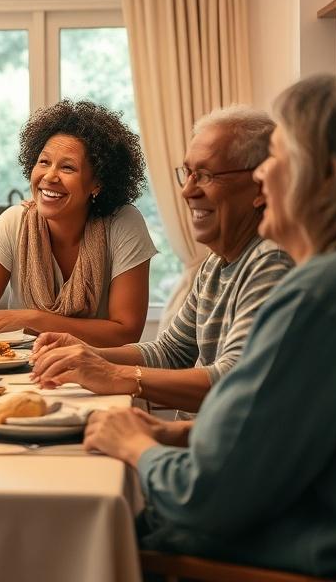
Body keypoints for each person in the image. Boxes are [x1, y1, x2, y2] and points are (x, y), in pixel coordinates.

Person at [84, 74, 336, 580]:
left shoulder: (322, 292)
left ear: (326, 176)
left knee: (70, 529)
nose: (264, 177)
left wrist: (136, 447)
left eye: (277, 158)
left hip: (312, 556)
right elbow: (285, 438)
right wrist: (172, 434)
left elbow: (206, 496)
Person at [31, 107, 293, 413]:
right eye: (187, 173)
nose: (187, 190)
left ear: (260, 185)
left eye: (206, 175)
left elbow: (232, 381)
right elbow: (172, 351)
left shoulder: (270, 261)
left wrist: (111, 374)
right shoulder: (215, 264)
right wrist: (85, 353)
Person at [0, 99, 156, 346]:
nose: (49, 176)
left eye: (68, 168)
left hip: (99, 373)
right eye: (44, 162)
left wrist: (35, 319)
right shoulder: (14, 222)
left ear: (97, 183)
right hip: (24, 372)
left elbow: (126, 333)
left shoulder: (123, 223)